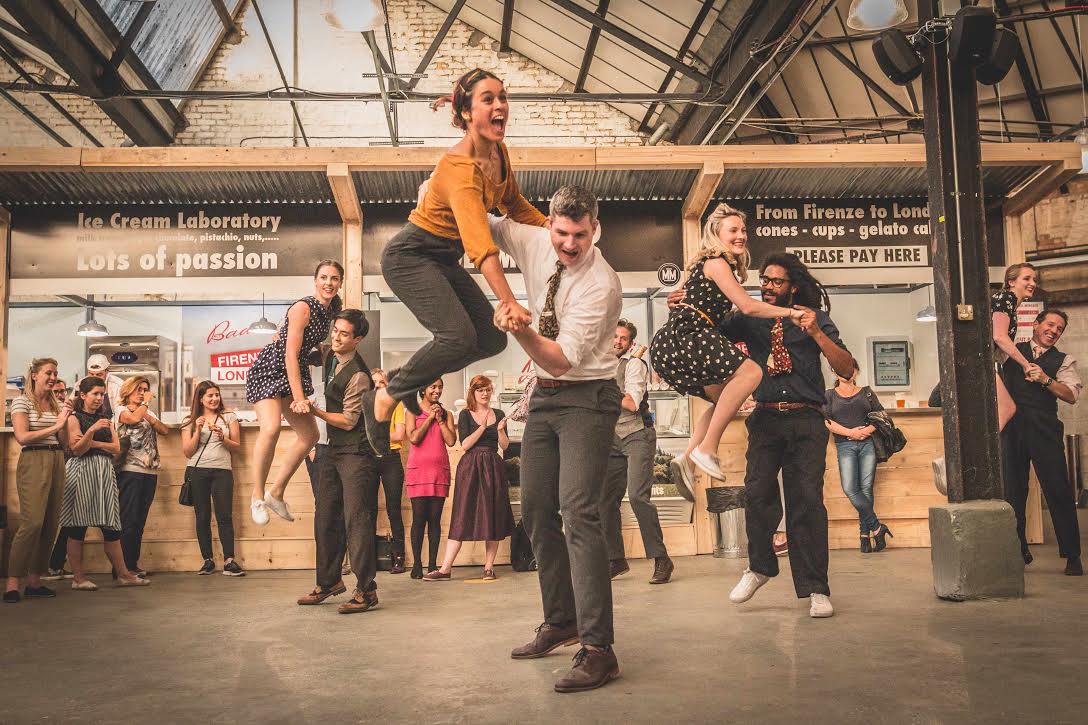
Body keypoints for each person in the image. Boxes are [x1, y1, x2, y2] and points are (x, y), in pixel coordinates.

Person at [361, 68, 547, 451]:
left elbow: (513, 204)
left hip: (444, 259)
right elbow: (481, 249)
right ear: (466, 112)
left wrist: (552, 229)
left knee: (491, 339)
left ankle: (403, 381)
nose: (500, 105)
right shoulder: (459, 171)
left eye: (502, 97)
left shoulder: (498, 153)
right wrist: (508, 301)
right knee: (458, 337)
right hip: (411, 256)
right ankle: (383, 397)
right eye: (488, 99)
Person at [489, 186, 623, 693]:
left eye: (580, 235)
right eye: (562, 233)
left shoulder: (601, 284)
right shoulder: (533, 240)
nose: (570, 244)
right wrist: (457, 175)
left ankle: (600, 650)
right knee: (536, 509)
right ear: (549, 225)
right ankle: (561, 621)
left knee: (578, 511)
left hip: (588, 396)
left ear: (595, 230)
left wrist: (517, 325)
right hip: (544, 398)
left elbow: (562, 360)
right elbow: (480, 223)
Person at [669, 252, 855, 618]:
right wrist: (683, 306)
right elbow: (706, 331)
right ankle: (759, 568)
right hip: (765, 418)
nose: (767, 286)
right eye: (764, 280)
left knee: (807, 503)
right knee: (756, 495)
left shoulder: (815, 318)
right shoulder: (749, 318)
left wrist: (817, 333)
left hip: (807, 419)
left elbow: (846, 368)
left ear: (793, 287)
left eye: (776, 281)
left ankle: (816, 588)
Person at [650, 204, 803, 492]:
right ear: (716, 234)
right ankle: (707, 449)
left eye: (743, 230)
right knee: (751, 373)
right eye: (733, 230)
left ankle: (687, 460)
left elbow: (699, 301)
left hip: (678, 338)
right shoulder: (716, 262)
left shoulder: (710, 266)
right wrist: (790, 312)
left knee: (723, 399)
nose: (741, 235)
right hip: (690, 334)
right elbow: (747, 306)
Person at [246, 260, 344, 525]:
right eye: (324, 277)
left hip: (294, 370)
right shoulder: (303, 307)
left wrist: (321, 352)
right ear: (315, 280)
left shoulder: (330, 311)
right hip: (271, 369)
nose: (328, 283)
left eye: (334, 278)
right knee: (270, 428)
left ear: (340, 283)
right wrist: (299, 397)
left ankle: (276, 493)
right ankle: (257, 497)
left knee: (310, 435)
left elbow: (301, 346)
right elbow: (290, 354)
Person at [297, 310, 382, 612]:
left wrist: (315, 412)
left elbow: (348, 421)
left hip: (356, 452)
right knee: (325, 517)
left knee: (356, 521)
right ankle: (329, 582)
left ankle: (366, 590)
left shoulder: (359, 376)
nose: (336, 337)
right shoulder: (329, 354)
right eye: (335, 330)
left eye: (344, 334)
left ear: (358, 339)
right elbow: (299, 347)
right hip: (331, 450)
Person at [1002, 309, 1083, 576]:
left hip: (1045, 429)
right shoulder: (1011, 351)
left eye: (1059, 328)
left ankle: (1072, 555)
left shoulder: (1064, 360)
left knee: (1058, 489)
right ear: (1036, 325)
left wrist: (1046, 380)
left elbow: (1071, 395)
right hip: (1012, 429)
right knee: (1013, 492)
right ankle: (1018, 551)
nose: (1054, 330)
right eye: (1050, 324)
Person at [600, 320, 674, 585]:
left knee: (638, 497)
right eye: (614, 336)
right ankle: (616, 559)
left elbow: (631, 403)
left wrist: (603, 390)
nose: (617, 341)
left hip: (637, 435)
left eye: (623, 338)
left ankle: (661, 558)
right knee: (605, 500)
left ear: (630, 344)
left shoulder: (634, 365)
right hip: (611, 438)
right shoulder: (600, 366)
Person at [60, 376, 149, 591]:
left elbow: (116, 448)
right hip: (82, 471)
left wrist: (92, 442)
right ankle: (78, 578)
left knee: (111, 526)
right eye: (95, 394)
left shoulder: (106, 418)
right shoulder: (74, 418)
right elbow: (77, 449)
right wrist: (91, 432)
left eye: (102, 394)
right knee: (77, 526)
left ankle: (123, 574)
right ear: (83, 395)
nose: (99, 398)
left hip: (104, 471)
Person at [425, 374, 514, 581]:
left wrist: (500, 430)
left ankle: (489, 567)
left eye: (488, 390)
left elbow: (504, 445)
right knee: (462, 514)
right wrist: (482, 426)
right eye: (480, 390)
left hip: (493, 466)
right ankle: (445, 568)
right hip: (471, 467)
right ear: (473, 392)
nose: (485, 393)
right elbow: (464, 445)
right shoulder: (465, 414)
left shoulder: (499, 413)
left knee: (492, 515)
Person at [4, 358, 71, 603]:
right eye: (48, 373)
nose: (53, 378)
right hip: (33, 459)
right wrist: (56, 425)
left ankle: (35, 581)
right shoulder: (22, 401)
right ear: (34, 375)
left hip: (57, 459)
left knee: (50, 524)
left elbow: (65, 442)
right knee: (32, 523)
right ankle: (12, 584)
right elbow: (22, 437)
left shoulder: (56, 403)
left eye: (55, 373)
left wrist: (65, 418)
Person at [824, 364, 892, 553]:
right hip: (844, 445)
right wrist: (850, 433)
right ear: (834, 371)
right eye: (842, 369)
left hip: (867, 444)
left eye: (851, 368)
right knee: (850, 489)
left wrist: (865, 431)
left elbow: (882, 416)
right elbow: (826, 421)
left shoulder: (867, 393)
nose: (847, 372)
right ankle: (877, 527)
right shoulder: (829, 395)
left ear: (856, 371)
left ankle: (864, 536)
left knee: (866, 489)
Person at [180, 381, 244, 576]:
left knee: (225, 516)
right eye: (210, 395)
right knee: (202, 516)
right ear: (201, 399)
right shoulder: (189, 420)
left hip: (222, 471)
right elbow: (188, 452)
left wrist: (222, 438)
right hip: (197, 471)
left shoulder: (229, 417)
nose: (215, 399)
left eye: (217, 394)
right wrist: (198, 430)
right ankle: (207, 560)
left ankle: (229, 561)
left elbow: (237, 446)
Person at [115, 376, 168, 578]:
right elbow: (132, 419)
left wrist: (149, 415)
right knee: (128, 520)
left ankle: (132, 564)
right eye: (139, 389)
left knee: (139, 521)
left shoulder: (147, 412)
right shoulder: (121, 410)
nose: (143, 393)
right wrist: (145, 405)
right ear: (128, 390)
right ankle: (122, 568)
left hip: (150, 472)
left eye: (145, 389)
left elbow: (164, 430)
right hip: (130, 470)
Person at [404, 379, 456, 579]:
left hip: (439, 472)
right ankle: (417, 564)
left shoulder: (447, 414)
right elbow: (414, 438)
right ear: (423, 389)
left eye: (440, 387)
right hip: (418, 472)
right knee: (419, 518)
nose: (437, 390)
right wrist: (429, 418)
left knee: (435, 519)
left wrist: (440, 420)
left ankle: (433, 564)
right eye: (433, 387)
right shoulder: (412, 412)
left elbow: (451, 441)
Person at [992, 263, 1039, 431]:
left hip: (981, 361)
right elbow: (999, 336)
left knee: (1001, 410)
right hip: (977, 362)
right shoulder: (1006, 297)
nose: (1032, 283)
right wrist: (1026, 365)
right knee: (1007, 409)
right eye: (1026, 278)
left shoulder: (1010, 303)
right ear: (1011, 282)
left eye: (1034, 279)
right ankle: (982, 447)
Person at [369, 368, 407, 574]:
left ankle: (399, 558)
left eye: (381, 383)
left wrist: (374, 433)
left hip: (391, 458)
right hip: (369, 459)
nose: (377, 386)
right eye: (373, 383)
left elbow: (399, 434)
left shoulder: (396, 404)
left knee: (394, 509)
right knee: (369, 510)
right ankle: (368, 558)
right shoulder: (365, 405)